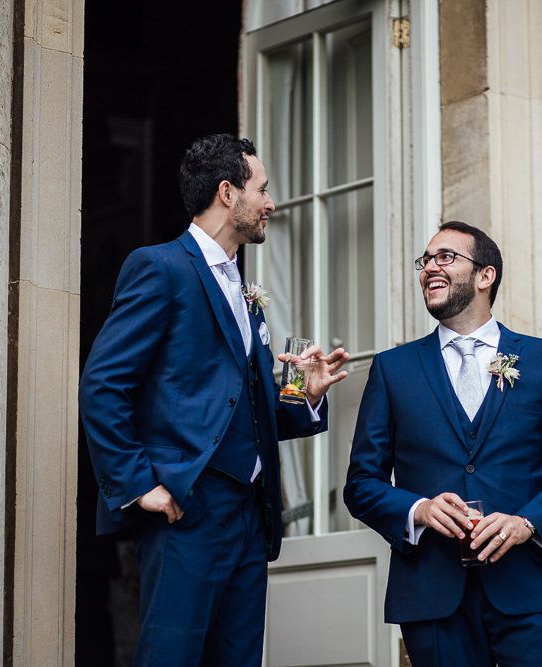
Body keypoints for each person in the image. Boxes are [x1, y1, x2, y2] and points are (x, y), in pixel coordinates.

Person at [79, 133, 349, 666]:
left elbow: (240, 405)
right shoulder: (160, 267)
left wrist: (303, 396)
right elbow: (103, 383)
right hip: (187, 507)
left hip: (250, 514)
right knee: (172, 656)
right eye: (262, 190)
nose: (271, 203)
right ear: (228, 193)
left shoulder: (243, 289)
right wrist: (139, 485)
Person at [344, 221, 542, 666]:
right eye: (425, 261)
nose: (430, 268)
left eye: (446, 257)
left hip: (534, 595)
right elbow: (361, 484)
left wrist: (527, 522)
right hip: (433, 598)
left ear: (486, 276)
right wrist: (419, 510)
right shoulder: (392, 370)